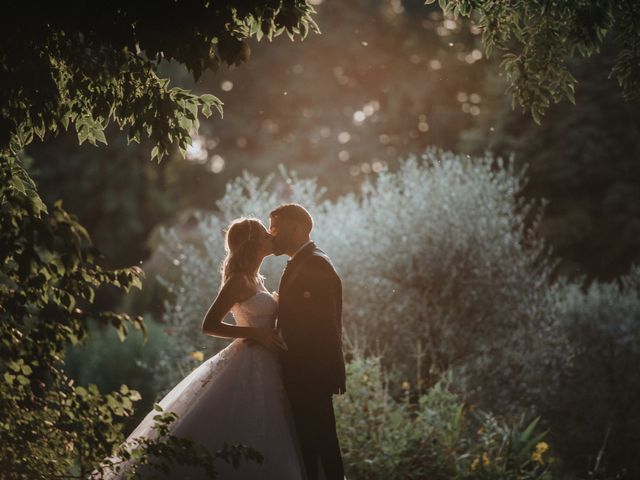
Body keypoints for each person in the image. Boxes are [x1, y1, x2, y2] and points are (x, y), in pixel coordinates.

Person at [100, 217, 305, 479]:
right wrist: (255, 333)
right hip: (249, 360)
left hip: (270, 362)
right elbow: (210, 324)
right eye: (266, 235)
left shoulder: (256, 278)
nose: (271, 237)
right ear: (252, 244)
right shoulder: (238, 281)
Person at [269, 203, 346, 480]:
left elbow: (326, 326)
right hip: (301, 375)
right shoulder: (302, 261)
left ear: (296, 228)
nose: (271, 235)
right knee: (309, 448)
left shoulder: (316, 263)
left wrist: (323, 376)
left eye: (275, 228)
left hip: (310, 375)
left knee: (322, 446)